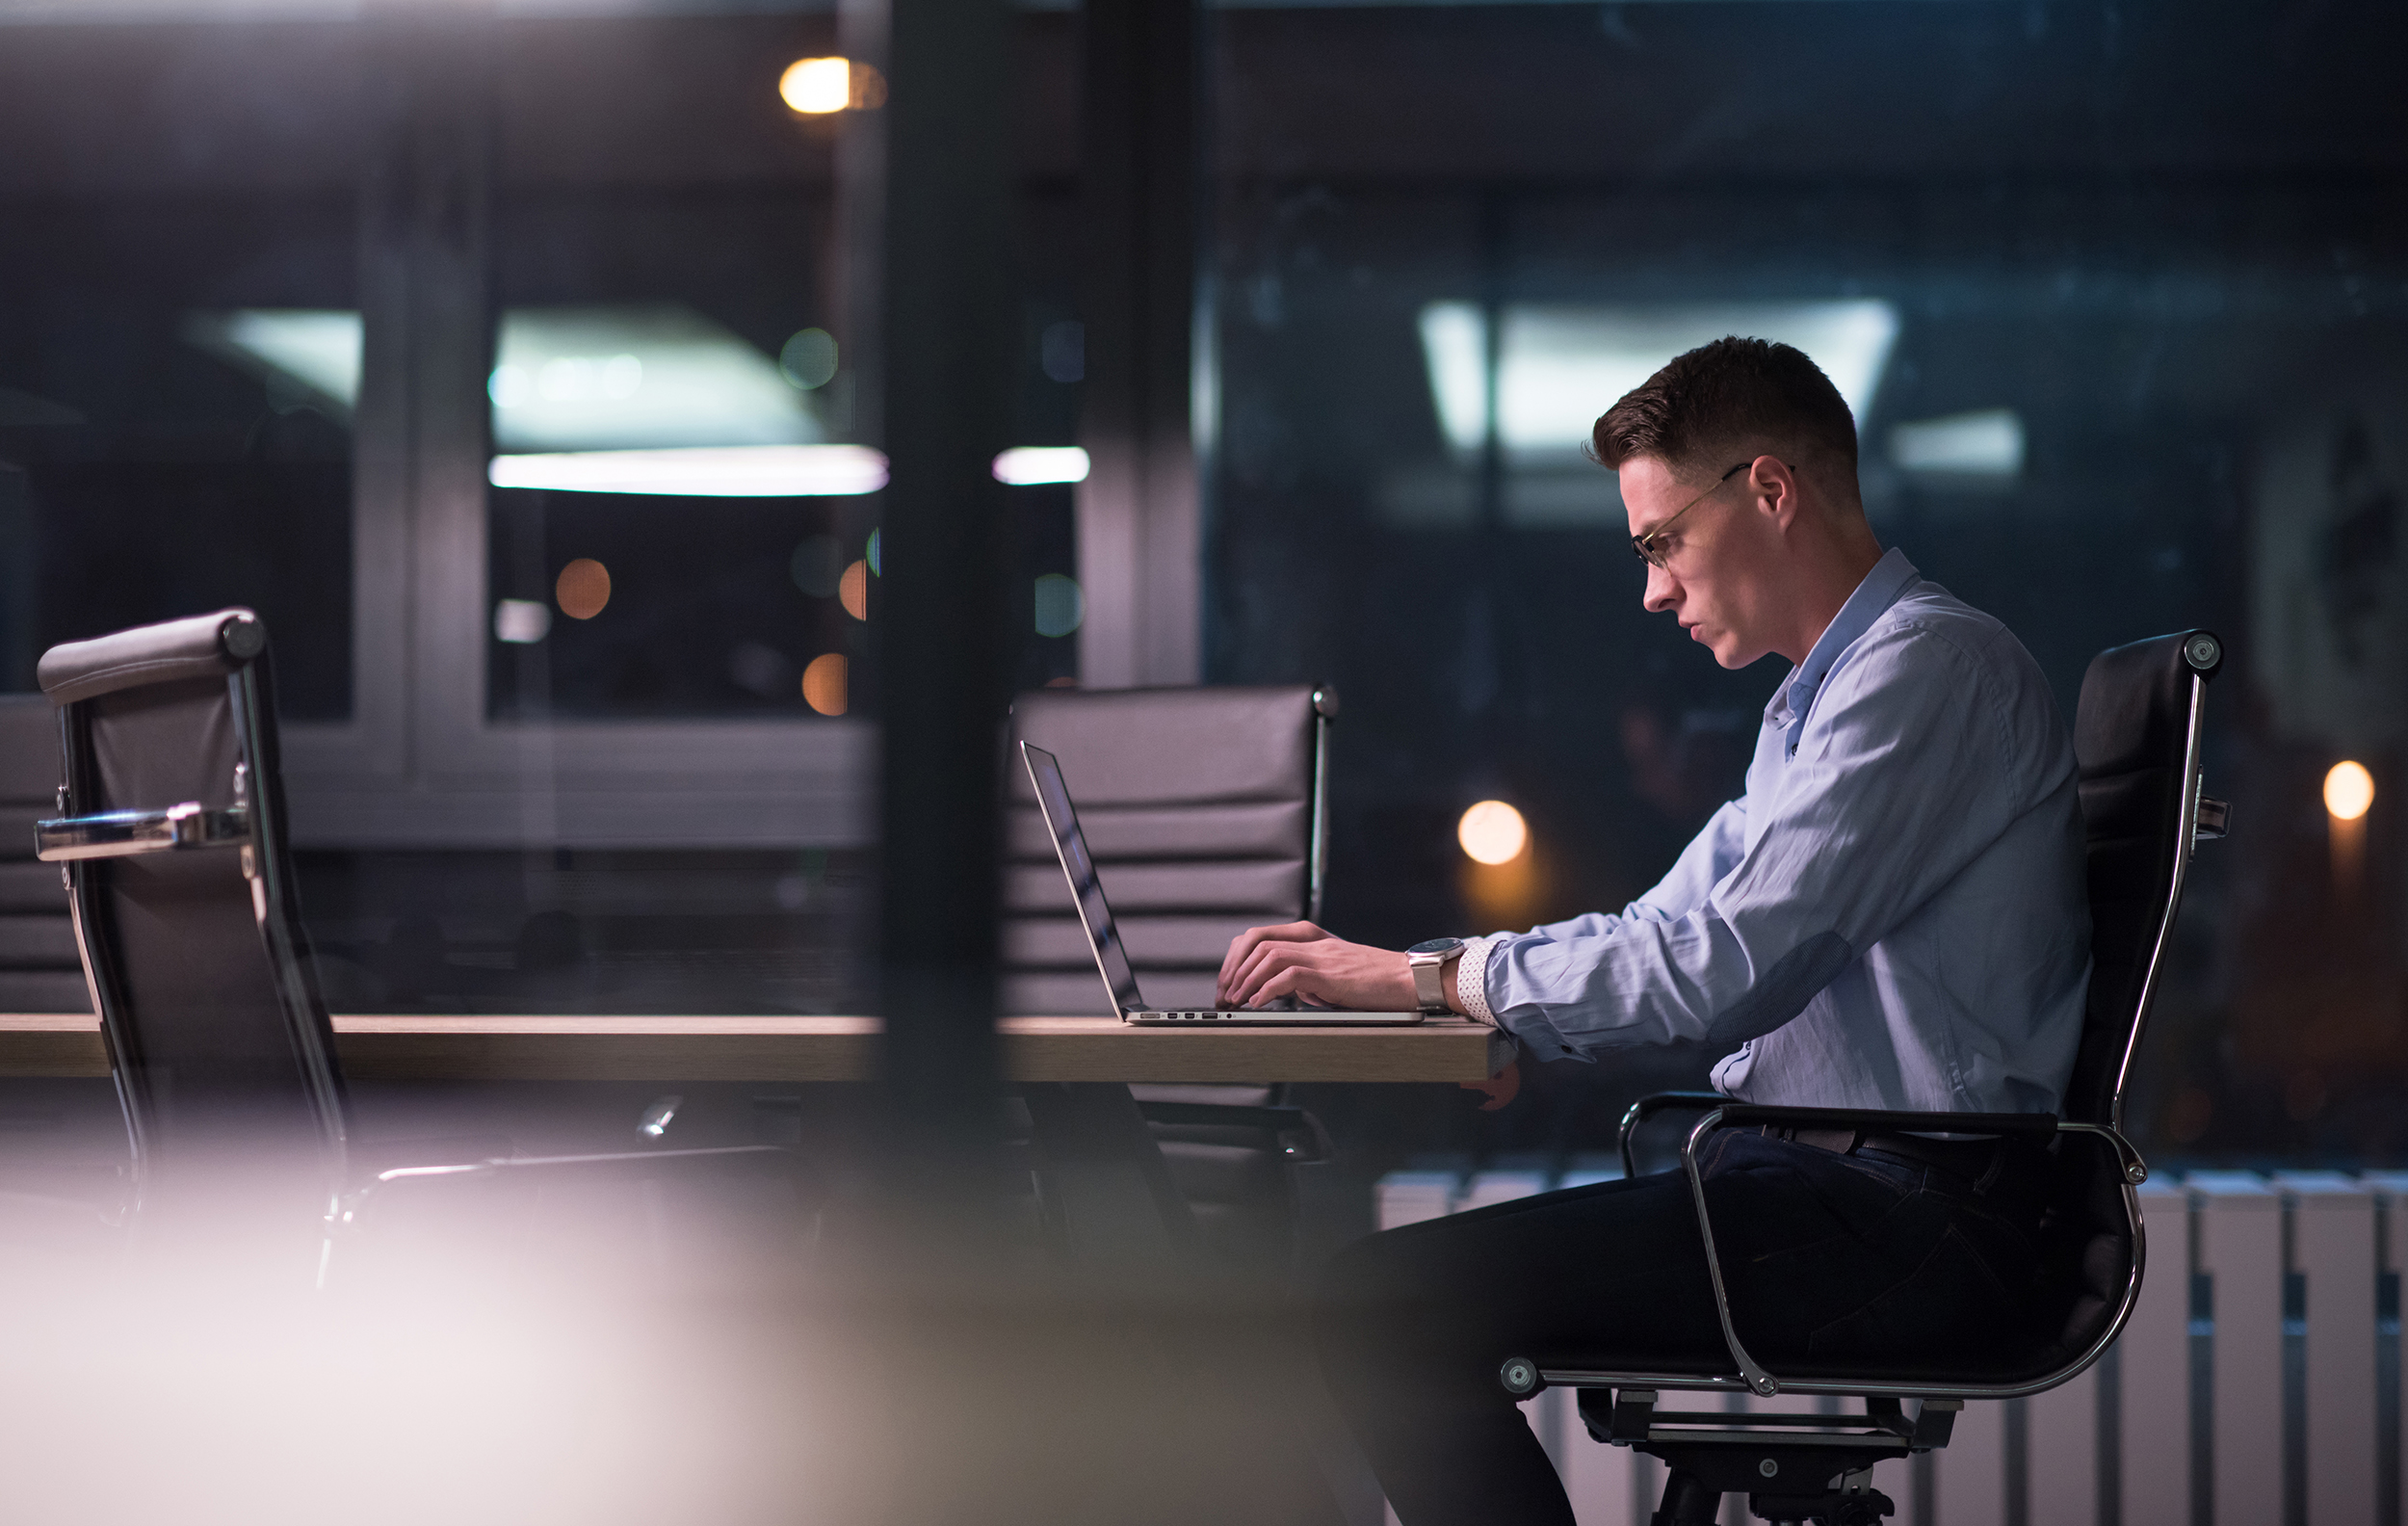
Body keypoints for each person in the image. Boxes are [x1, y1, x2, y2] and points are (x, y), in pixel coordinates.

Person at [1217, 337, 2089, 1526]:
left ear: (1768, 491)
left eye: (1660, 542)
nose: (1653, 590)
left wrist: (1436, 980)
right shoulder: (1817, 704)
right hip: (1835, 1193)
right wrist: (1456, 991)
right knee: (1385, 1306)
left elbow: (1717, 969)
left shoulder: (1924, 671)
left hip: (1909, 1223)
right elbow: (1665, 931)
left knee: (1382, 1312)